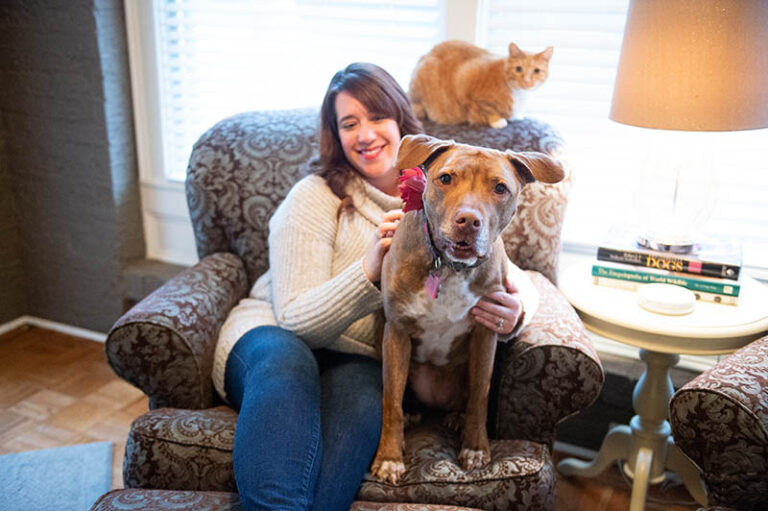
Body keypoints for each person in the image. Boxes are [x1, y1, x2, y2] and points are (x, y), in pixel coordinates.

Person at [212, 62, 530, 511]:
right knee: (285, 372)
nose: (365, 134)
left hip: (358, 359)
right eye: (348, 123)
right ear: (335, 135)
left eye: (377, 117)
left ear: (402, 122)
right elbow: (294, 319)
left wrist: (518, 312)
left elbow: (503, 268)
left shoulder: (447, 198)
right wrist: (370, 269)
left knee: (360, 422)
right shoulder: (314, 195)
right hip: (274, 335)